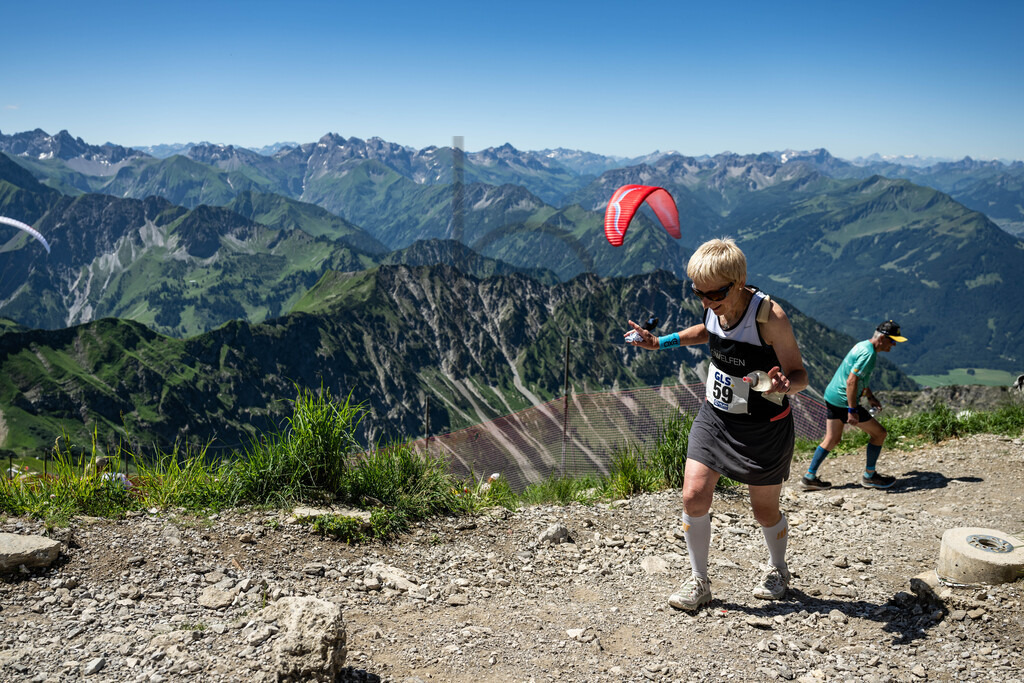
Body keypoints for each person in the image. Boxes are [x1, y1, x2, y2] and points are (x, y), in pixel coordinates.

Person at [624, 238, 808, 610]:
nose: (707, 302)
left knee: (764, 512)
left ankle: (778, 568)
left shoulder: (770, 318)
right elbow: (709, 330)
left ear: (738, 282)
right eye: (698, 293)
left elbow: (800, 375)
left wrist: (786, 385)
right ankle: (699, 581)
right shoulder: (714, 307)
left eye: (715, 294)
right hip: (716, 416)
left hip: (764, 424)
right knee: (692, 496)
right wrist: (660, 342)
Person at [801, 320, 907, 491]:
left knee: (832, 439)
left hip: (832, 396)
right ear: (882, 338)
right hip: (844, 401)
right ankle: (870, 476)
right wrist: (852, 410)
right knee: (879, 434)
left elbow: (859, 380)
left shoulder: (862, 346)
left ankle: (809, 477)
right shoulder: (869, 354)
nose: (894, 344)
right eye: (892, 340)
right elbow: (851, 382)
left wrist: (870, 396)